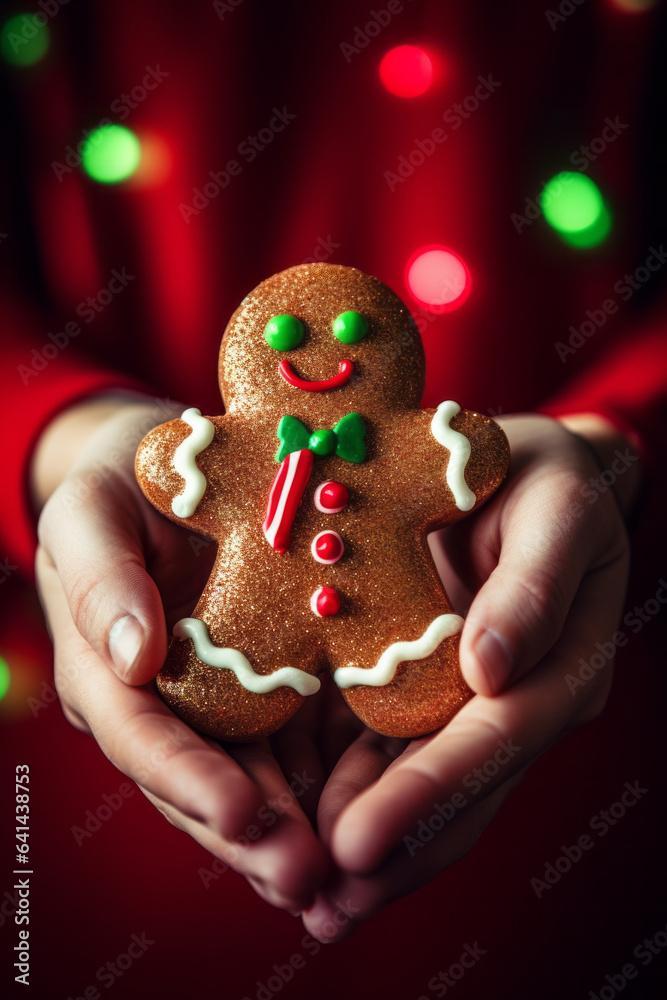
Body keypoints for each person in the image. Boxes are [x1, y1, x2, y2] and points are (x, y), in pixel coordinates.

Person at [1, 1, 666, 996]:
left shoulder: (423, 453)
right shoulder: (216, 454)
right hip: (87, 834)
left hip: (585, 790)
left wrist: (617, 444)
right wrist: (50, 436)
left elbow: (465, 457)